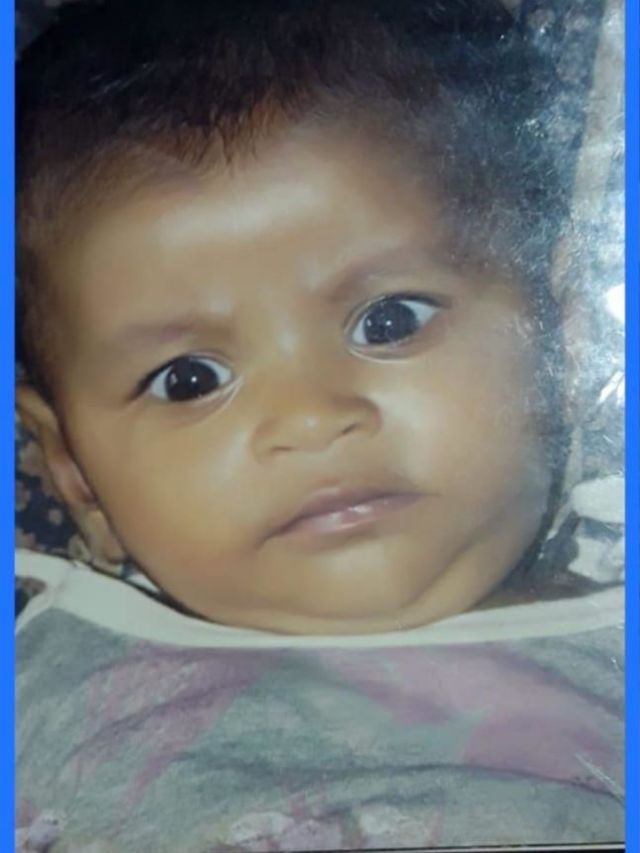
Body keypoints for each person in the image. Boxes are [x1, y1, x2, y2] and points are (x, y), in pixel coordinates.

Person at [15, 1, 623, 848]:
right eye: (189, 380)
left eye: (390, 320)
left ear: (565, 340)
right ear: (73, 471)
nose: (309, 419)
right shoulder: (37, 702)